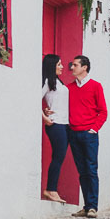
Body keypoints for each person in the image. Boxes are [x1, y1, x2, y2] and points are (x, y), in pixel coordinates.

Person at [65, 56, 107, 218]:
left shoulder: (96, 86)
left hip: (89, 135)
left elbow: (103, 111)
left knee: (91, 170)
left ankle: (92, 207)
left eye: (75, 65)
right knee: (82, 171)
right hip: (73, 133)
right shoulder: (69, 88)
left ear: (85, 67)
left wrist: (94, 129)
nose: (72, 67)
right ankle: (87, 205)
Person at [40, 54, 69, 203]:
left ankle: (52, 189)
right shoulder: (47, 81)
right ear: (52, 66)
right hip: (55, 124)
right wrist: (45, 118)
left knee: (60, 157)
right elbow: (33, 99)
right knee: (58, 157)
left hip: (64, 124)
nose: (62, 66)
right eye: (59, 64)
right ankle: (51, 190)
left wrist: (46, 110)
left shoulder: (59, 82)